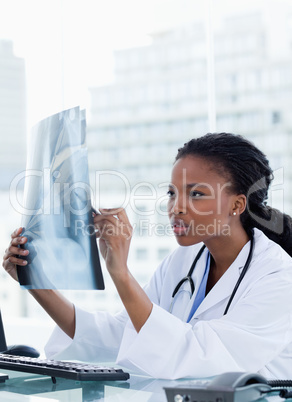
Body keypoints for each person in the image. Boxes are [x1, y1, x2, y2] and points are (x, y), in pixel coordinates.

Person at [3, 132, 292, 380]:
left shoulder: (277, 276)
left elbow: (203, 358)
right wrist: (35, 282)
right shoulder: (183, 261)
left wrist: (121, 274)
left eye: (196, 194)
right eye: (171, 193)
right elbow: (121, 335)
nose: (176, 207)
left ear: (237, 204)